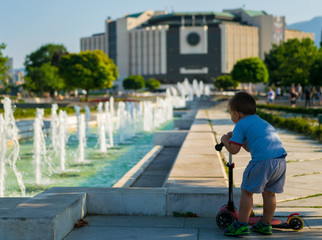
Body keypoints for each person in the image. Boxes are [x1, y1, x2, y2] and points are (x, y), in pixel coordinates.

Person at [221, 92, 287, 237]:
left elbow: (233, 150)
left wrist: (225, 139)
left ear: (237, 114)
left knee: (246, 191)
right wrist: (239, 141)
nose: (231, 117)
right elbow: (250, 145)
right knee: (269, 193)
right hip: (280, 160)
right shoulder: (261, 121)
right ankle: (265, 224)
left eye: (230, 114)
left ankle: (242, 225)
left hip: (263, 162)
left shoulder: (240, 125)